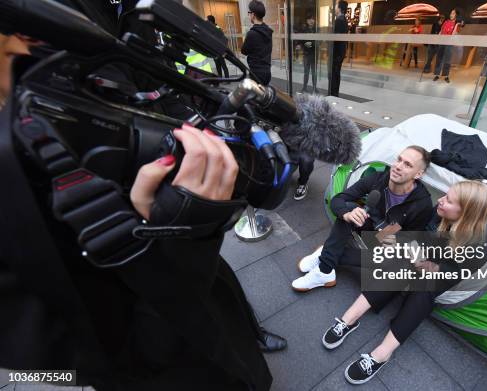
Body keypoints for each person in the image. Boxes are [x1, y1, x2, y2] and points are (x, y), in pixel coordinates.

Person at [0, 29, 282, 391]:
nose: (20, 44)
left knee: (230, 319)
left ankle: (254, 333)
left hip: (202, 294)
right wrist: (175, 238)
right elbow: (75, 369)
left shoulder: (40, 90)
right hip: (169, 363)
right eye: (7, 48)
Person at [321, 181, 487, 385]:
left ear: (466, 214)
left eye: (449, 201)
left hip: (439, 275)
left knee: (424, 291)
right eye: (445, 196)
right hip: (421, 256)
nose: (440, 201)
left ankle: (382, 354)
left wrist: (427, 266)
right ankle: (347, 321)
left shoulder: (481, 244)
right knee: (396, 265)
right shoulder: (439, 211)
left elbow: (449, 275)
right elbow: (416, 237)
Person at [291, 146, 434, 291]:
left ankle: (326, 253)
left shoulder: (423, 204)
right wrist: (347, 214)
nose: (398, 166)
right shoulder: (378, 179)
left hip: (390, 239)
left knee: (391, 262)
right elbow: (338, 200)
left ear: (418, 174)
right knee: (350, 209)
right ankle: (324, 271)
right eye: (399, 160)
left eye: (407, 165)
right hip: (371, 221)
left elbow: (412, 241)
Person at [241, 0, 273, 85]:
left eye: (249, 13)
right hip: (267, 72)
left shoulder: (252, 33)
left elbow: (243, 51)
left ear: (253, 14)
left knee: (256, 97)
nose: (248, 15)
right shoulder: (268, 31)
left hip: (256, 74)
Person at [433, 8, 463, 83]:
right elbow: (441, 31)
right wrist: (438, 39)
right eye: (451, 13)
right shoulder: (446, 21)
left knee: (447, 60)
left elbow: (453, 34)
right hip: (442, 42)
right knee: (439, 58)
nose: (451, 15)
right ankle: (437, 74)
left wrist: (456, 24)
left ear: (456, 15)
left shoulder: (457, 25)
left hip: (449, 43)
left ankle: (446, 76)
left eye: (453, 13)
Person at [330, 0, 348, 97]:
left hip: (337, 52)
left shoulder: (339, 21)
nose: (335, 8)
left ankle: (333, 93)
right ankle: (335, 93)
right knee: (337, 73)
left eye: (336, 6)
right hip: (340, 52)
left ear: (340, 8)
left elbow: (335, 39)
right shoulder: (344, 20)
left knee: (334, 73)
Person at [296, 14, 317, 94]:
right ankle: (304, 87)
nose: (312, 21)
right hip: (307, 54)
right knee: (306, 72)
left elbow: (320, 41)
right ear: (307, 21)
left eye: (313, 19)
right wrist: (304, 45)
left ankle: (314, 88)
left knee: (314, 72)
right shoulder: (304, 30)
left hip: (314, 54)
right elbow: (301, 41)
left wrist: (311, 44)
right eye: (310, 19)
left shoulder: (316, 30)